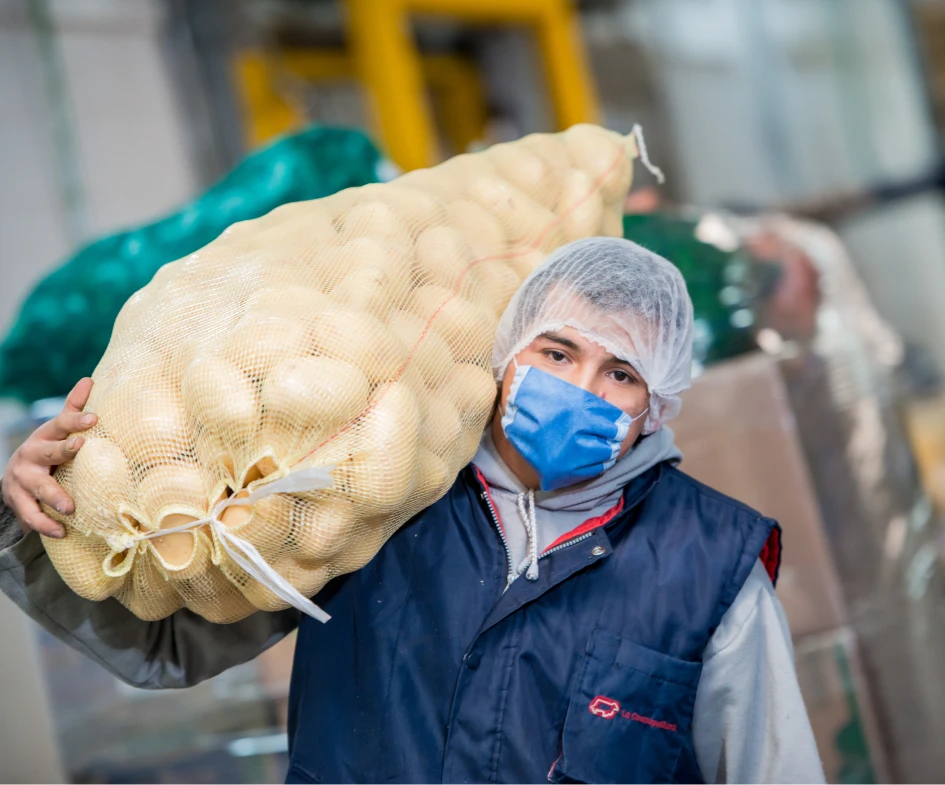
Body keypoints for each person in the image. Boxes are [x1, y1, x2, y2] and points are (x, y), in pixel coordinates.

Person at [0, 237, 825, 784]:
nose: (579, 387)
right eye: (558, 351)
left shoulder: (711, 567)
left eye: (621, 373)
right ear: (509, 354)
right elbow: (163, 643)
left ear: (657, 404)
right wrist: (37, 519)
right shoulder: (376, 497)